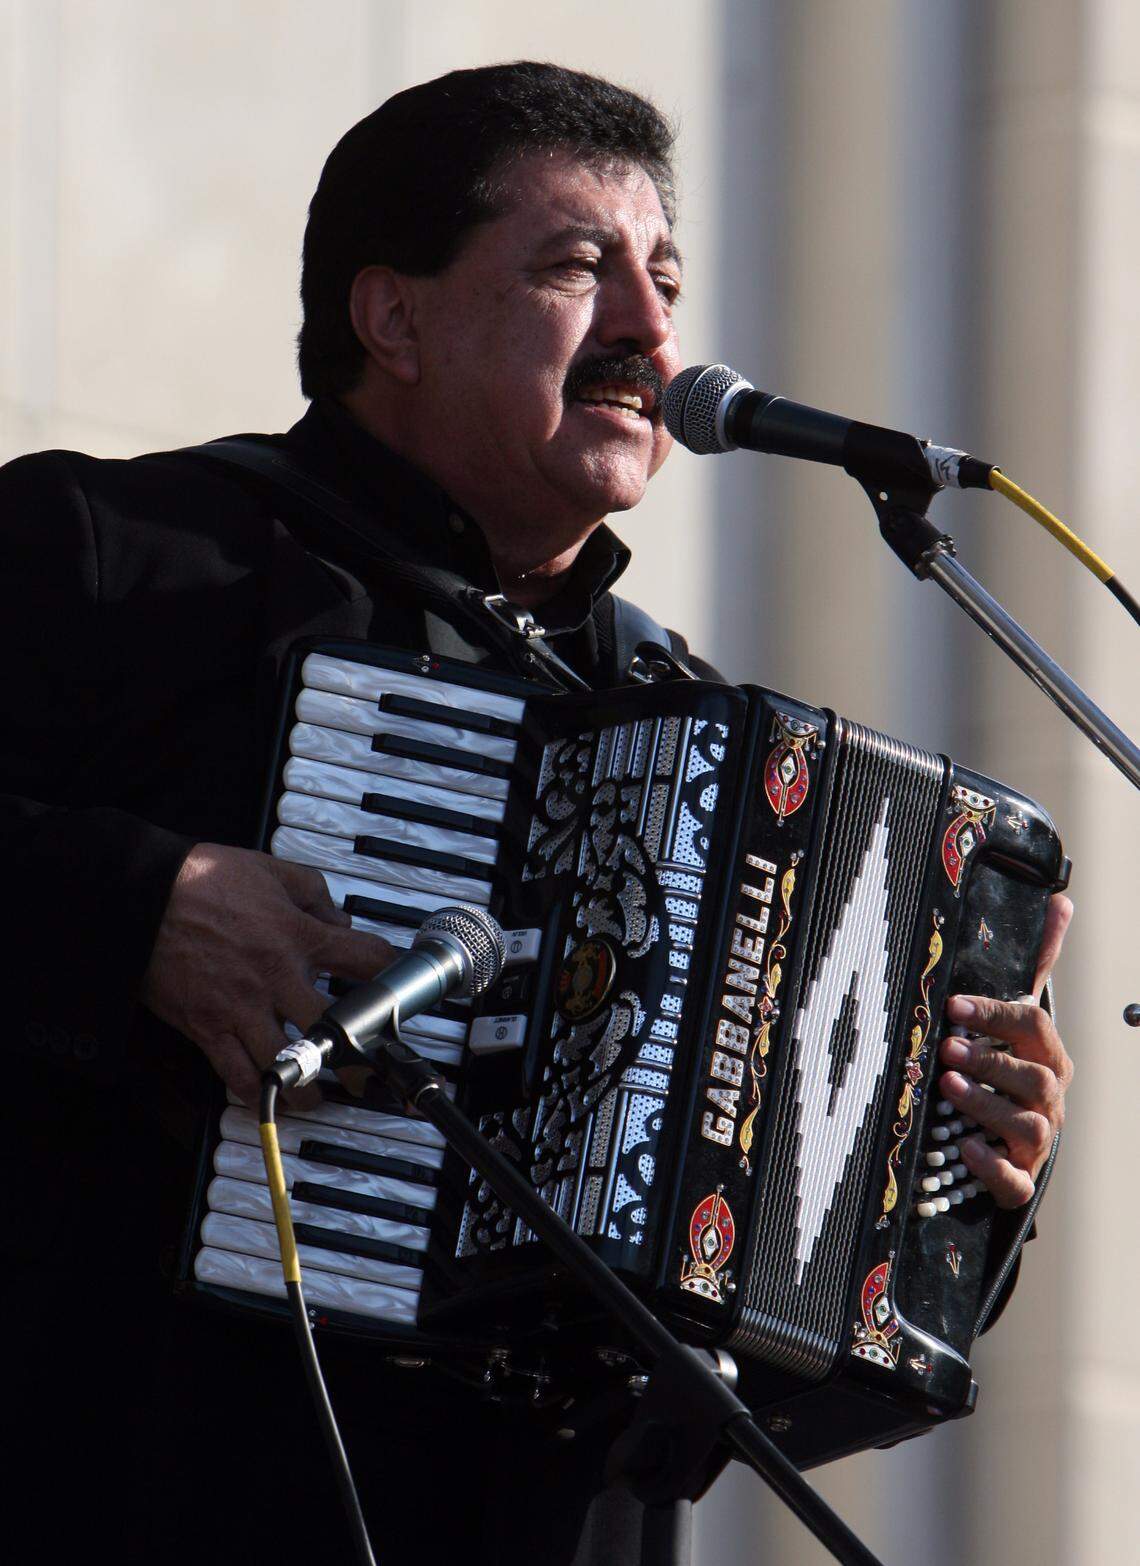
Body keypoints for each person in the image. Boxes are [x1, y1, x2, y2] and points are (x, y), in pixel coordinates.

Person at [1, 62, 1072, 1564]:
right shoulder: (113, 558)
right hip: (152, 1483)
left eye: (668, 277)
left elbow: (759, 1384)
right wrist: (137, 907)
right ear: (396, 317)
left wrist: (952, 1184)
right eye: (578, 266)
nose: (649, 327)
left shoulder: (699, 737)